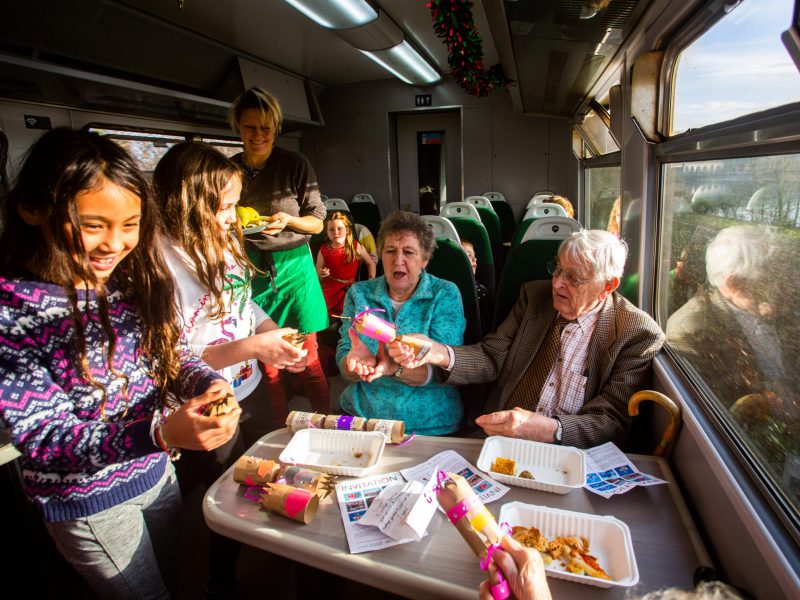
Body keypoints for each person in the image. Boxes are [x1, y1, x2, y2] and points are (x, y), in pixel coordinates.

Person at [0, 128, 240, 599]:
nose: (115, 243)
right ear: (33, 210)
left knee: (179, 578)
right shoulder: (13, 313)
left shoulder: (129, 281)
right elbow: (47, 438)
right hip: (89, 502)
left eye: (130, 225)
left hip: (155, 472)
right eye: (94, 225)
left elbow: (170, 354)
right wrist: (161, 433)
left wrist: (208, 383)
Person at [152, 142, 308, 596]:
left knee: (261, 472)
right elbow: (172, 358)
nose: (233, 216)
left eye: (235, 204)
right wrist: (251, 346)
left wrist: (272, 330)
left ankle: (243, 561)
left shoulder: (219, 240)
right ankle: (221, 580)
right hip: (204, 401)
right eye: (224, 206)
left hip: (250, 387)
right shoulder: (161, 266)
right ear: (189, 204)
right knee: (227, 494)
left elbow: (244, 301)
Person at [390, 229, 665, 448]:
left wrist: (546, 429)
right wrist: (438, 352)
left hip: (574, 454)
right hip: (503, 441)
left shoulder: (636, 333)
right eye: (557, 270)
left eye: (573, 278)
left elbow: (612, 420)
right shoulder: (534, 297)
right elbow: (491, 356)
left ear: (608, 286)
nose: (557, 283)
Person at [229, 86, 330, 427]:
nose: (258, 135)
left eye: (265, 128)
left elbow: (317, 221)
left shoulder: (294, 164)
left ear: (275, 128)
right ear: (237, 128)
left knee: (309, 358)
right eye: (249, 127)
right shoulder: (229, 172)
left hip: (295, 267)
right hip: (253, 269)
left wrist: (289, 221)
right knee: (268, 364)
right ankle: (280, 430)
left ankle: (327, 424)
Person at [336, 211, 466, 435]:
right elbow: (344, 357)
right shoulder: (359, 294)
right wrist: (353, 366)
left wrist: (393, 368)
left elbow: (448, 369)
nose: (398, 260)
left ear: (424, 259)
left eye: (408, 252)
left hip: (429, 424)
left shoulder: (444, 294)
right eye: (390, 251)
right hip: (363, 418)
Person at [666, 226, 798, 423]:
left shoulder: (782, 311)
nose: (787, 287)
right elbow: (716, 419)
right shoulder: (689, 331)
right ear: (735, 284)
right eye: (773, 279)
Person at [316, 211, 376, 317]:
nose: (335, 232)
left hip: (351, 288)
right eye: (331, 229)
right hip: (330, 290)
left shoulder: (355, 246)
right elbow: (317, 272)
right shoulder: (324, 250)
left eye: (339, 228)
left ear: (347, 230)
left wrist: (371, 279)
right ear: (327, 232)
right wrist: (321, 273)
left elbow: (371, 263)